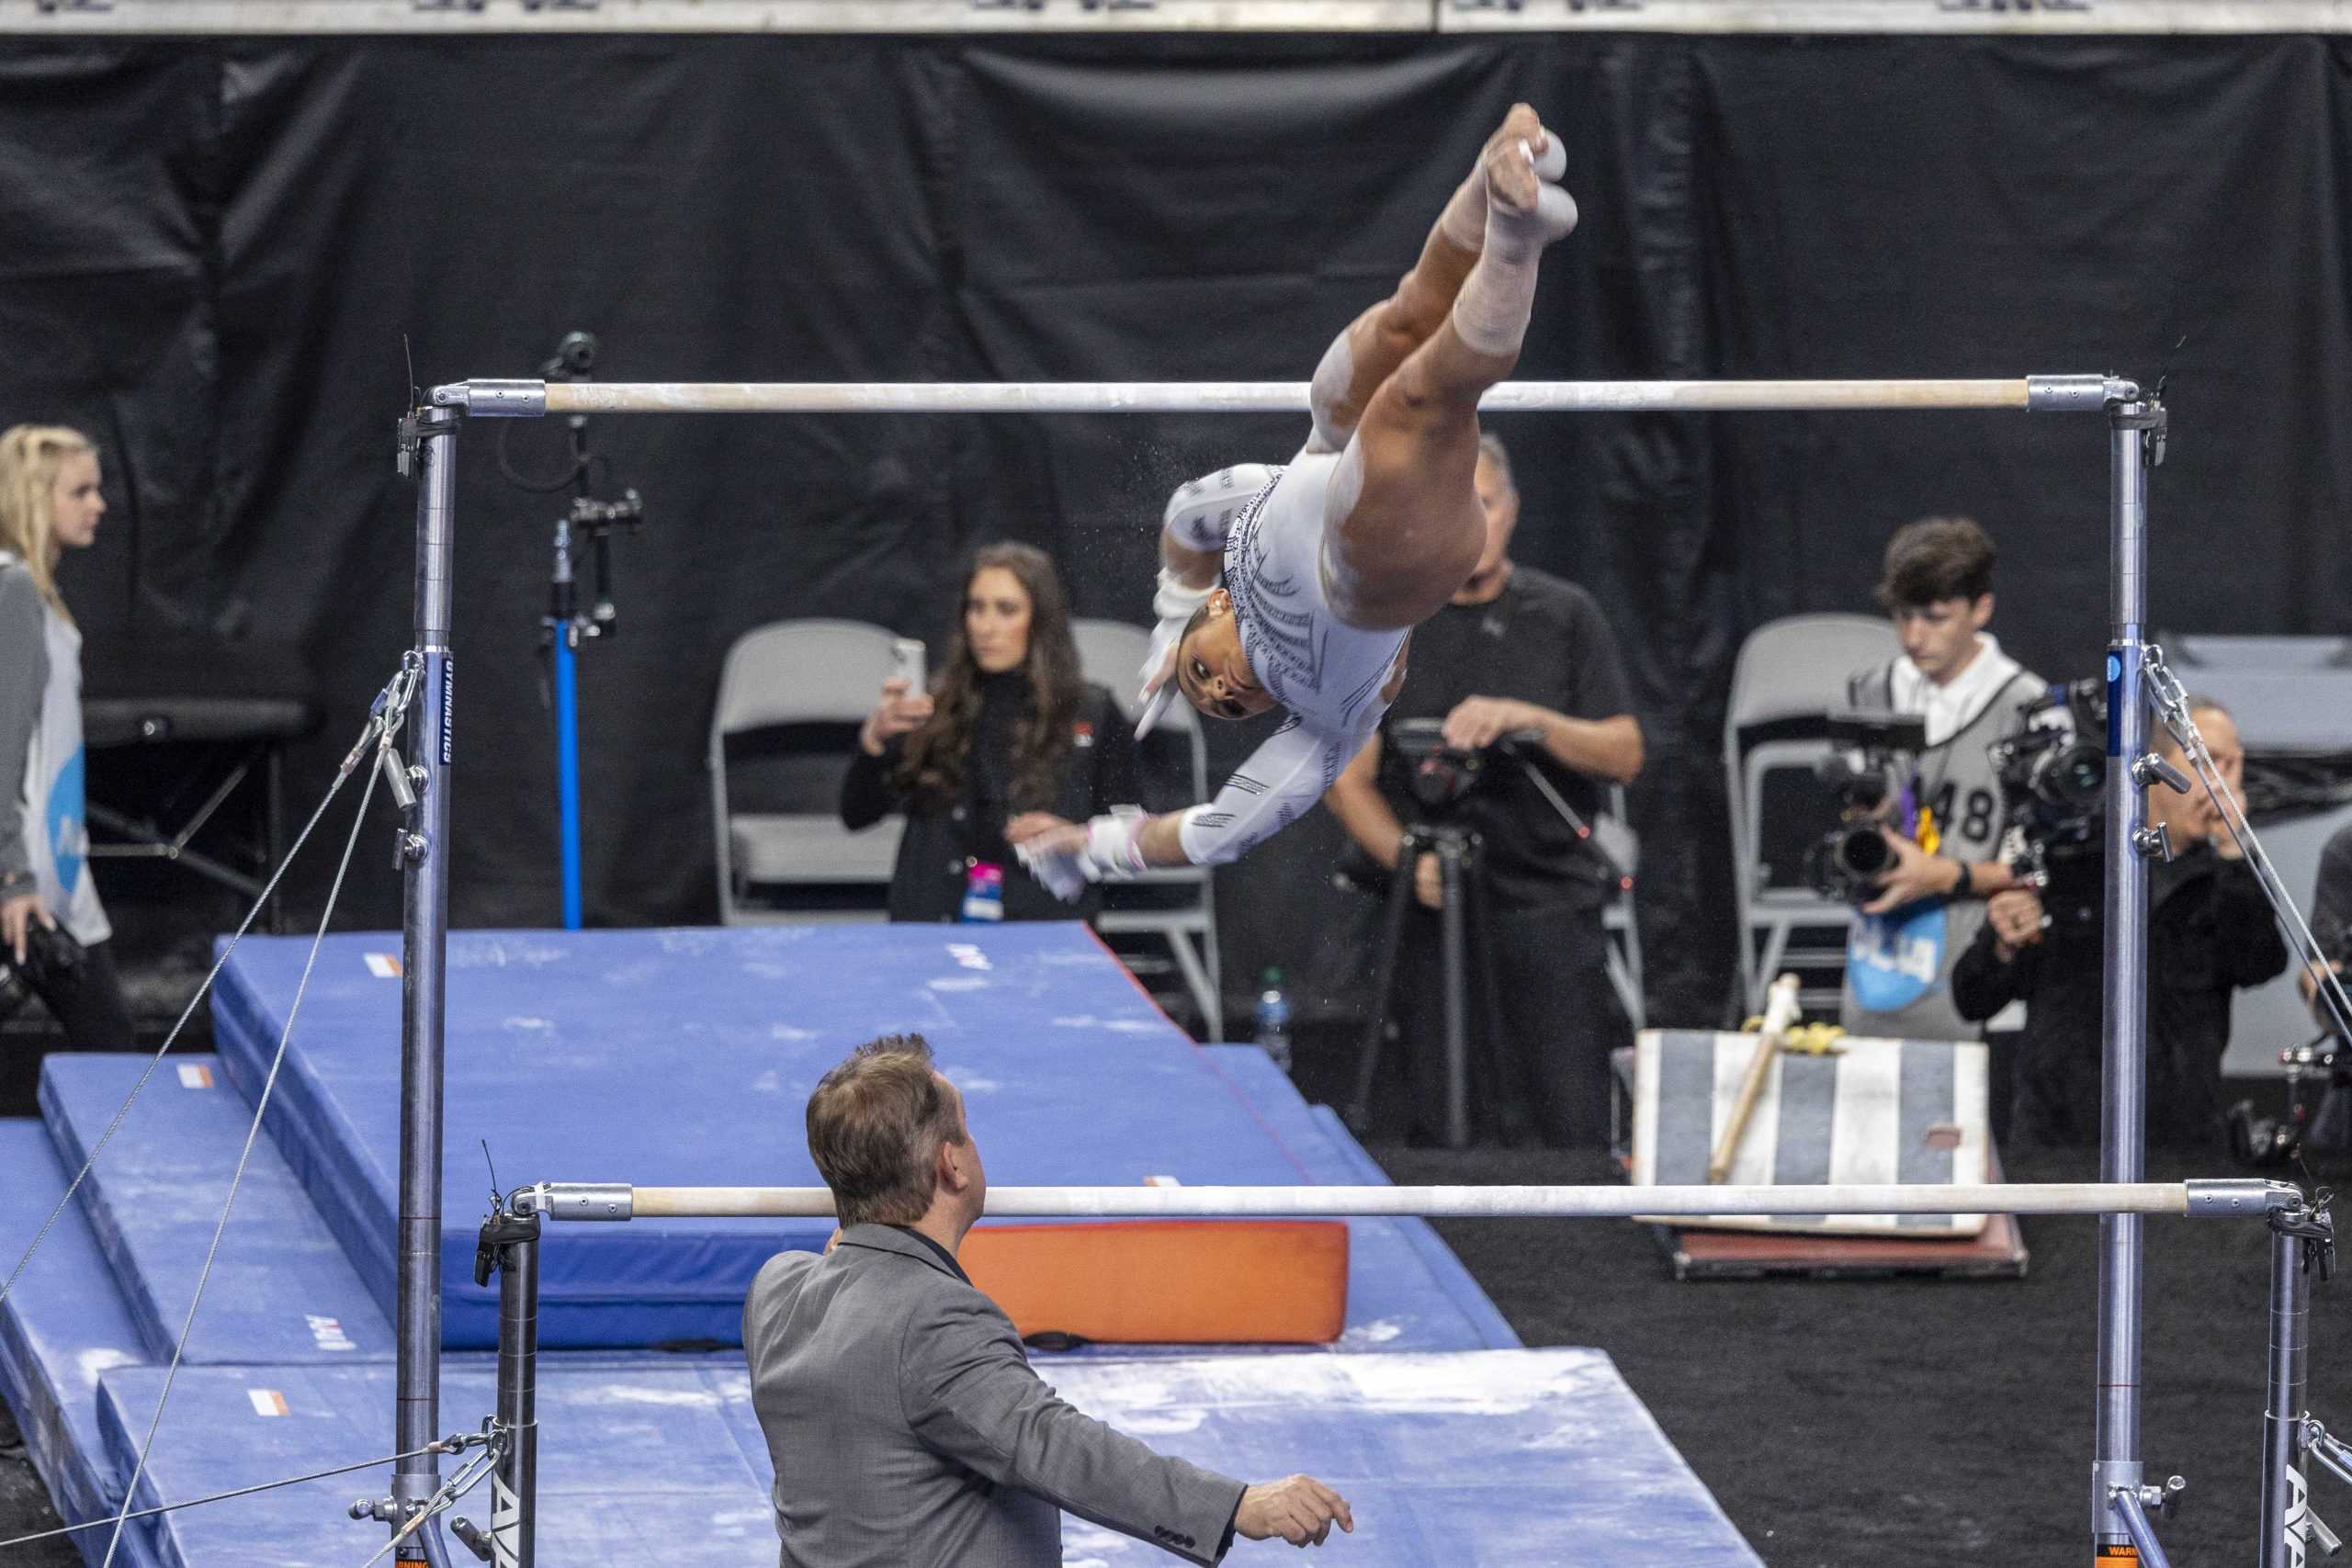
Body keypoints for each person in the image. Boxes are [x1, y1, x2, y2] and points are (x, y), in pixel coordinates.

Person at [1011, 104, 1579, 898]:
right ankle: (1518, 236)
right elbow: (1215, 832)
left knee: (1406, 320)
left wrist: (1170, 618)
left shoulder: (1244, 527)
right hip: (1380, 577)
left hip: (1324, 455)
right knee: (1422, 397)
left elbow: (1183, 514)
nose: (1218, 692)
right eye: (1229, 709)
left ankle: (1494, 177)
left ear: (1216, 607)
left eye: (1199, 675)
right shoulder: (1323, 727)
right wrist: (1093, 843)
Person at [742, 1034, 1354, 1565]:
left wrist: (861, 1230)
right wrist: (1236, 1505)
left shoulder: (778, 1293)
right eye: (967, 1129)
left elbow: (856, 1293)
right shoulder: (933, 1321)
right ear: (951, 1164)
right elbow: (1059, 1447)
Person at [1321, 433, 1642, 1145]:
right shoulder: (1387, 624)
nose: (1473, 519)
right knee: (1441, 1116)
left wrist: (1530, 720)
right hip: (1433, 897)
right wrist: (1407, 857)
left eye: (1486, 502)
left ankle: (1576, 1242)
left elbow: (1625, 753)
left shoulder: (1566, 615)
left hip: (1546, 889)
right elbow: (1346, 781)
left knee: (1571, 1118)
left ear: (1514, 510)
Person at [1951, 697, 2288, 1148]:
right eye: (2207, 762)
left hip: (2179, 1145)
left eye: (2232, 765)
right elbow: (1972, 996)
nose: (2223, 782)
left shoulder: (2223, 882)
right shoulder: (2072, 864)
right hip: (2058, 1144)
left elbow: (2260, 963)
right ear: (2154, 770)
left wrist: (2234, 851)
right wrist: (2002, 945)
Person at [1839, 516, 2053, 1042]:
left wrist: (1941, 875)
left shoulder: (2028, 709)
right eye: (1903, 616)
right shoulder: (1870, 694)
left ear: (1981, 608)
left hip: (1976, 983)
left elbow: (2045, 872)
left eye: (1935, 618)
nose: (1914, 637)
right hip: (1874, 969)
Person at [842, 544, 1136, 923]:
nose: (985, 625)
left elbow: (1132, 824)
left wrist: (1079, 837)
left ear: (1040, 620)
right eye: (976, 607)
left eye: (1006, 609)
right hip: (934, 919)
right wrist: (874, 742)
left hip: (1041, 925)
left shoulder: (1088, 711)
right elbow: (855, 815)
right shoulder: (933, 707)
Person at [0, 424, 133, 1053]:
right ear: (34, 497)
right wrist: (13, 877)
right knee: (113, 1054)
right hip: (26, 880)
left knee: (112, 1049)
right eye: (80, 490)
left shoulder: (31, 590)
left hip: (52, 875)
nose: (98, 504)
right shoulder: (15, 591)